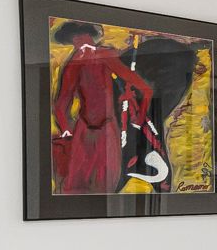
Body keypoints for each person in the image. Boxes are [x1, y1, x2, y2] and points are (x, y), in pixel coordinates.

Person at [50, 21, 162, 195]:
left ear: (88, 36)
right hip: (84, 132)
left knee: (104, 183)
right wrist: (66, 129)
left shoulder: (103, 55)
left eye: (80, 36)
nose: (78, 42)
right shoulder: (74, 63)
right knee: (76, 185)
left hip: (105, 131)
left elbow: (145, 89)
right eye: (74, 38)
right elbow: (61, 103)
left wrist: (139, 118)